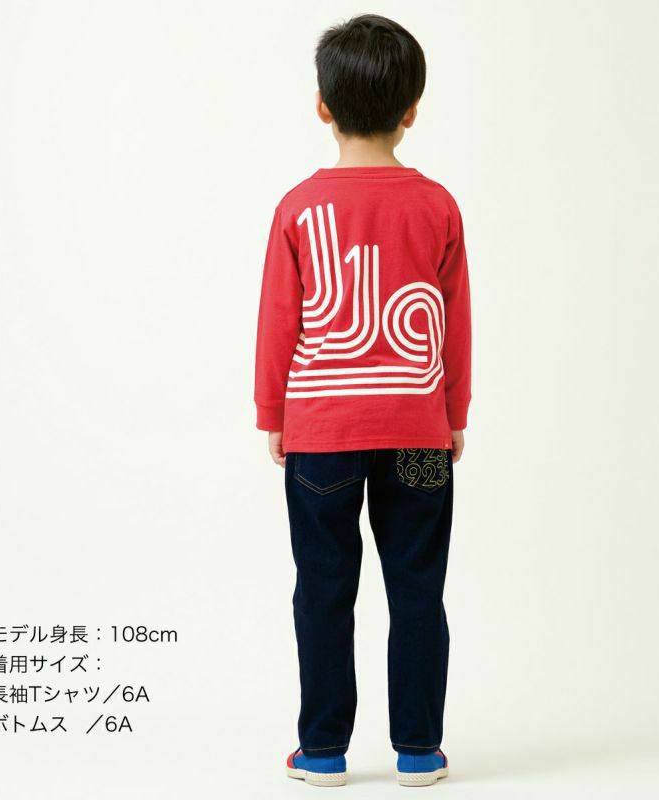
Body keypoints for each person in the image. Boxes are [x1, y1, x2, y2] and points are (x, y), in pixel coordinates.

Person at [253, 13, 471, 787]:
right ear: (412, 110)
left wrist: (273, 415)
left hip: (322, 431)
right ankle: (418, 749)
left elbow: (279, 320)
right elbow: (453, 322)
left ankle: (322, 751)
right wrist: (453, 416)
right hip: (418, 428)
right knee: (418, 589)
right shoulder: (437, 206)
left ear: (323, 106)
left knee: (322, 590)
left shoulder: (297, 208)